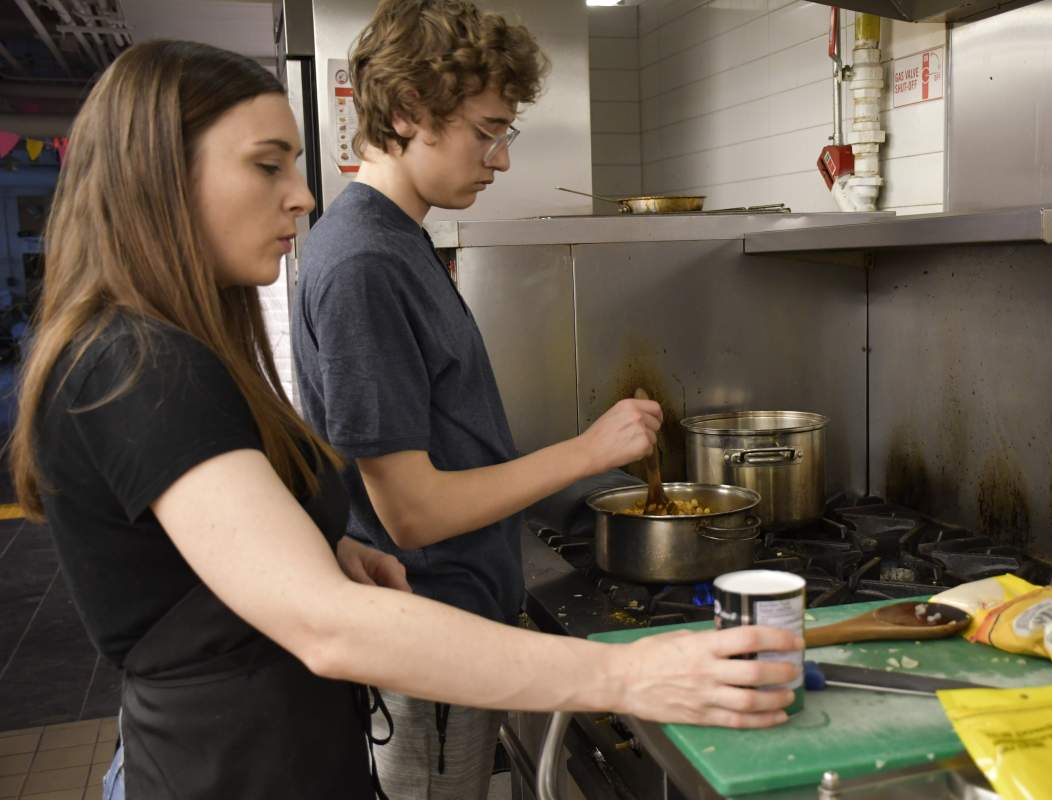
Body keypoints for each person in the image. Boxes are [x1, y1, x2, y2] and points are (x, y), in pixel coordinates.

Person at [8, 39, 801, 800]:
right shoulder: (140, 364)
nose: (303, 192)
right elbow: (327, 626)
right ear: (158, 177)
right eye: (266, 165)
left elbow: (202, 568)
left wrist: (331, 546)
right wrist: (631, 675)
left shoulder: (170, 349)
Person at [290, 3, 671, 796]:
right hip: (426, 640)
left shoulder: (398, 240)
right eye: (486, 131)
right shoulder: (365, 263)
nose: (499, 160)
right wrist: (588, 453)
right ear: (405, 114)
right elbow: (412, 513)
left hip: (456, 624)